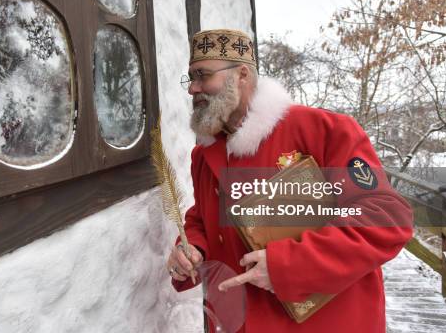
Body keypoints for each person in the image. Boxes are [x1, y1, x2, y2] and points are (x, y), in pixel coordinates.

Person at [166, 28, 413, 332]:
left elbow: (385, 218)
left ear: (241, 75)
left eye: (202, 75)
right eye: (190, 78)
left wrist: (287, 266)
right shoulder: (203, 156)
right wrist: (193, 248)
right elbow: (203, 218)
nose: (193, 88)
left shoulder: (324, 130)